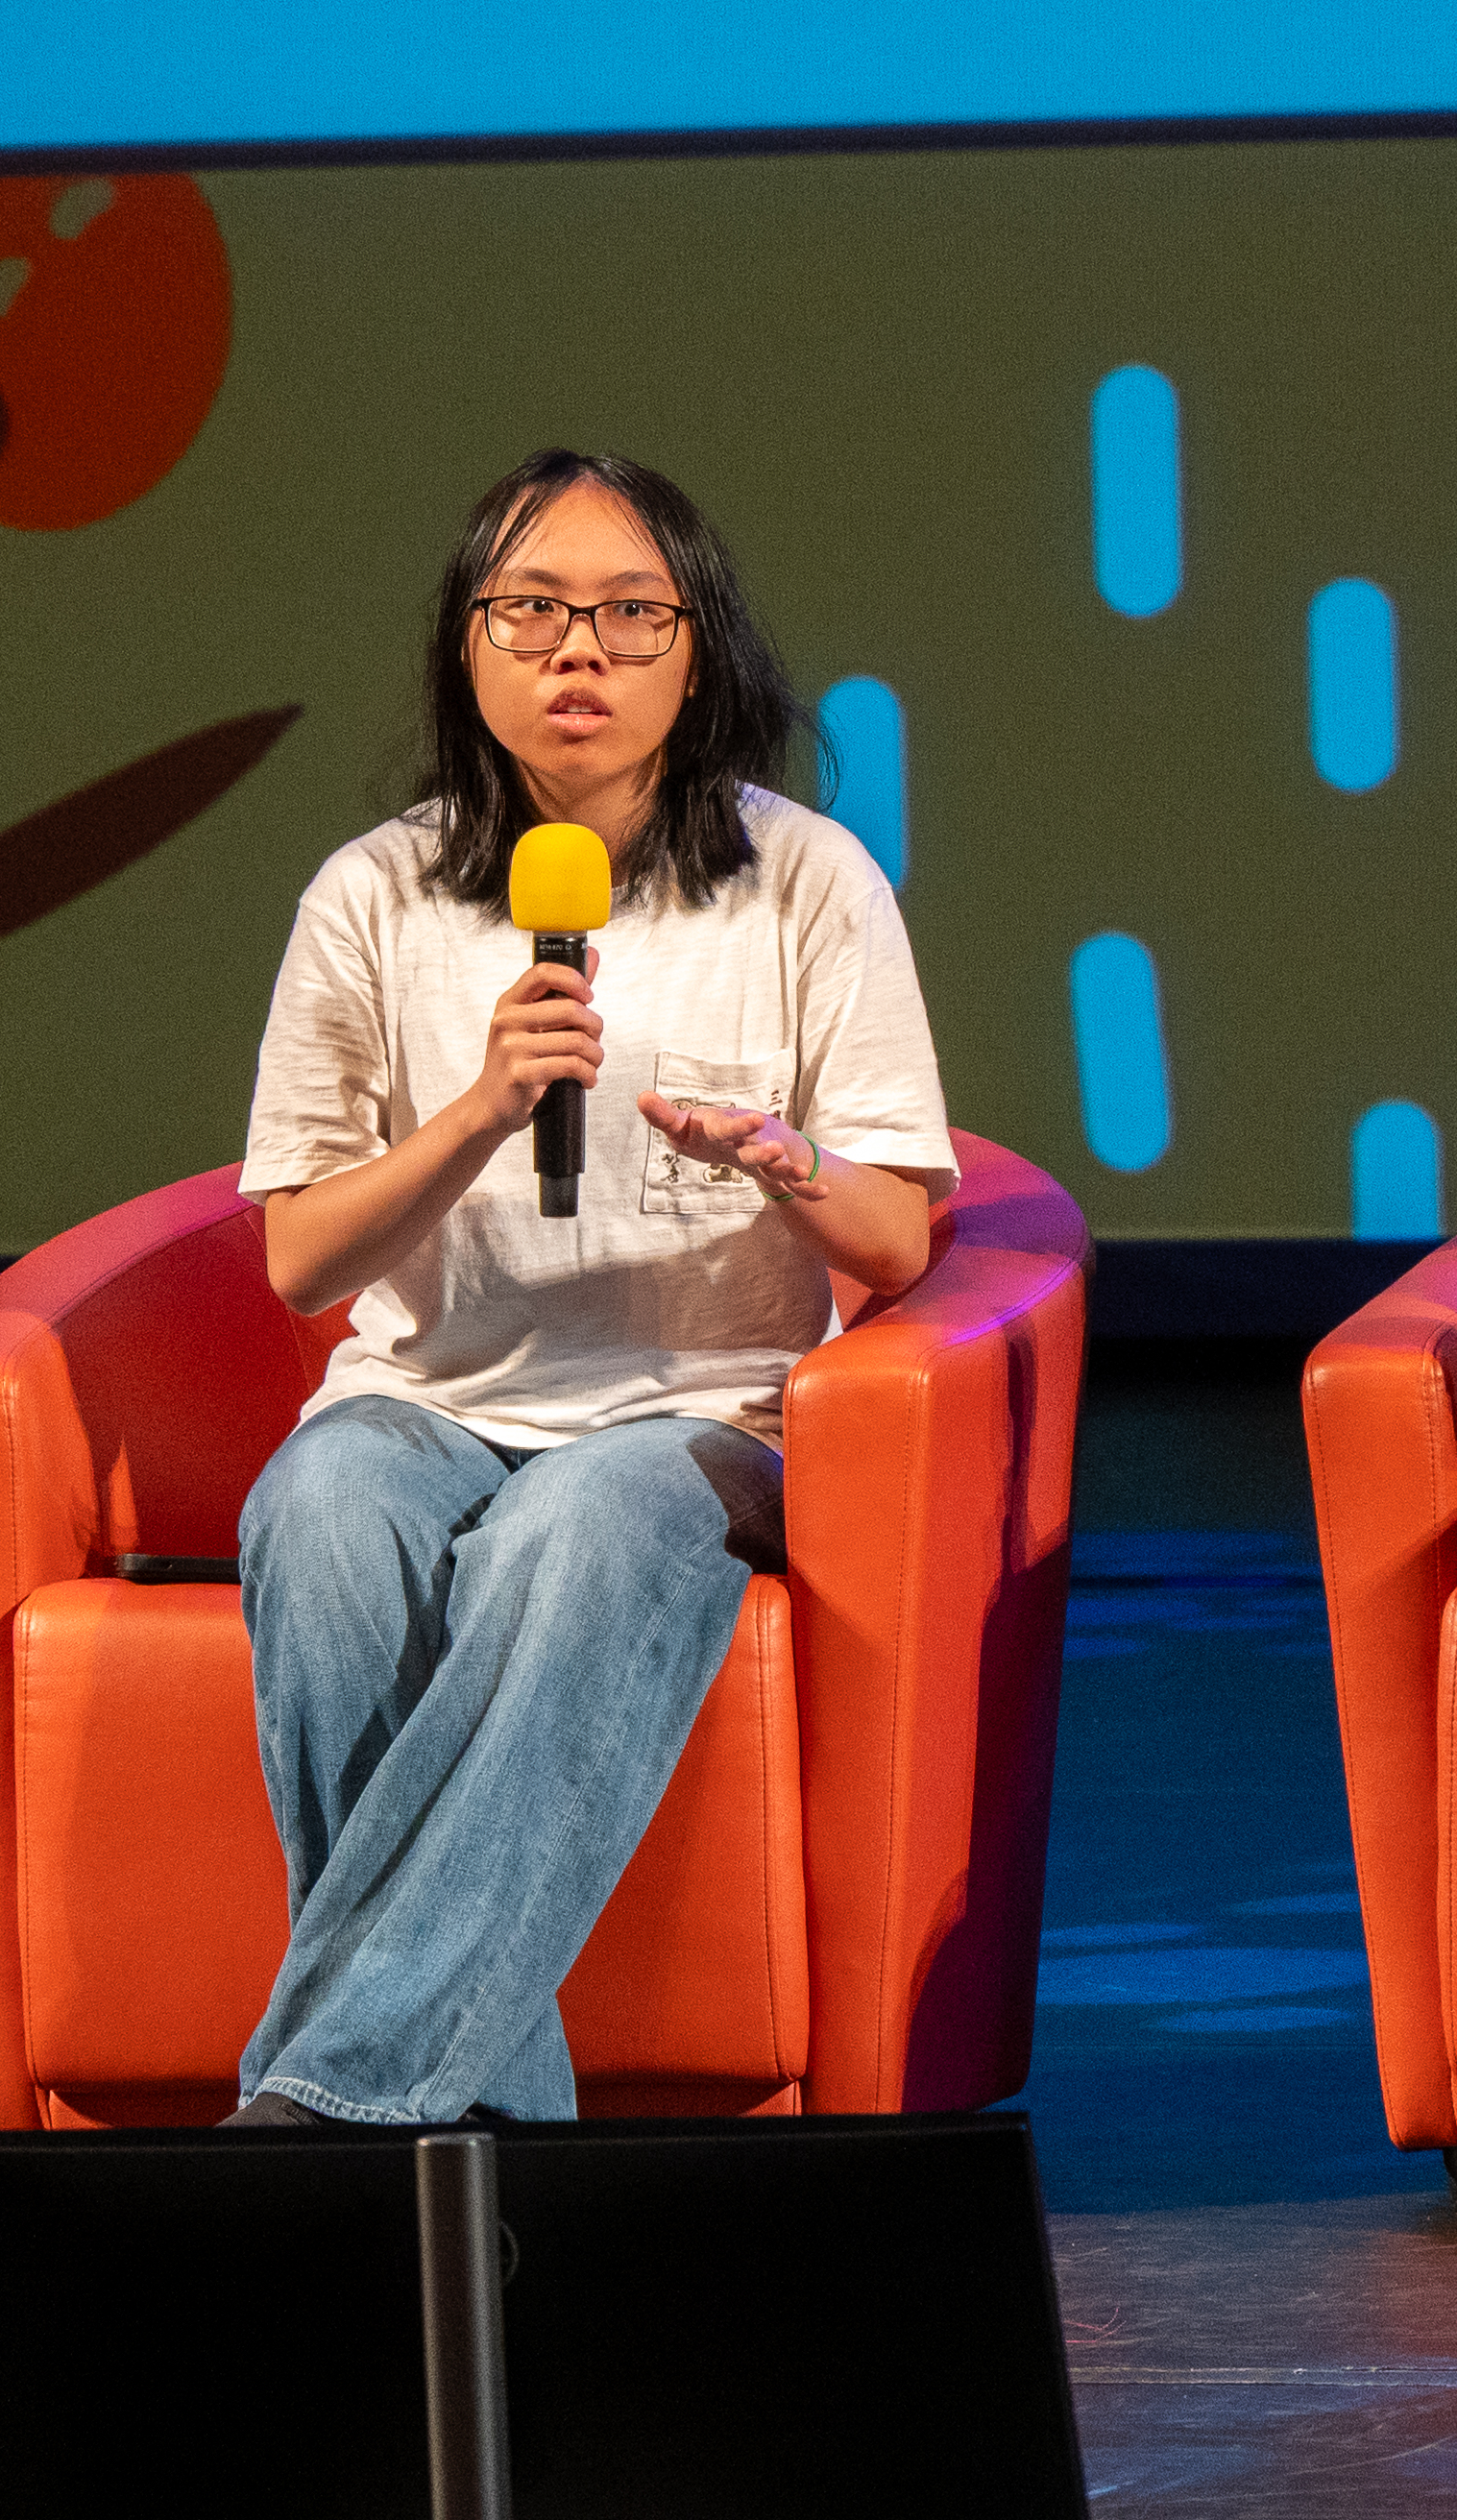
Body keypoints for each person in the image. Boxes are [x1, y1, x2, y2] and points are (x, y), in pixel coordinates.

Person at [221, 449, 954, 2128]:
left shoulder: (808, 882)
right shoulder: (374, 895)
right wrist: (478, 1110)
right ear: (468, 650)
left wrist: (779, 1158)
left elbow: (899, 1244)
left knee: (581, 1525)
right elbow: (298, 1264)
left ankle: (325, 2100)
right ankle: (487, 2127)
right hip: (425, 1402)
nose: (580, 653)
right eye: (533, 610)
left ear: (697, 656)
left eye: (632, 615)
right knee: (318, 1517)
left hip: (698, 1422)